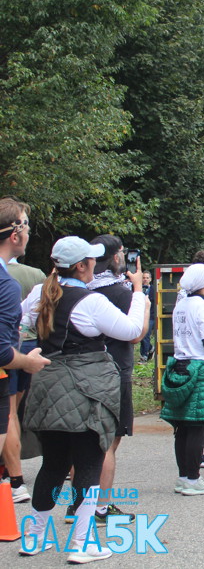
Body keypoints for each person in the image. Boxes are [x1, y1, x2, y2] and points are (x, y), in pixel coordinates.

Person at [19, 236, 147, 563]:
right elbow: (133, 330)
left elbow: (20, 324)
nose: (95, 263)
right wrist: (138, 293)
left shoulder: (40, 294)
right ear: (81, 265)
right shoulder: (90, 302)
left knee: (53, 463)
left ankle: (34, 538)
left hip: (47, 387)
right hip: (86, 388)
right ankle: (81, 543)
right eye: (91, 259)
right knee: (89, 463)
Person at [81, 235, 149, 524]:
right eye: (122, 252)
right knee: (108, 442)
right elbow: (135, 335)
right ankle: (101, 507)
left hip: (84, 370)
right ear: (115, 257)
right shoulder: (121, 293)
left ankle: (79, 504)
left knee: (85, 440)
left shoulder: (80, 290)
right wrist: (141, 297)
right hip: (115, 370)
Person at [0, 198, 50, 508]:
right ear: (16, 234)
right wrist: (27, 362)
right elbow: (2, 353)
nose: (30, 233)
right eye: (27, 226)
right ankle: (15, 481)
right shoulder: (5, 284)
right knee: (10, 418)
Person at [161, 263, 204, 496]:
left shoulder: (181, 305)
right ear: (202, 283)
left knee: (183, 426)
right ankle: (194, 478)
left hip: (181, 365)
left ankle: (183, 477)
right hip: (203, 367)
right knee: (200, 425)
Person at [139, 270, 156, 362]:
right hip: (140, 315)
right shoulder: (138, 289)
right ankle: (150, 348)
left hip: (150, 316)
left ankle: (144, 356)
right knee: (140, 335)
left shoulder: (153, 290)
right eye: (143, 278)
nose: (145, 279)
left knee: (145, 335)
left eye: (147, 278)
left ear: (150, 279)